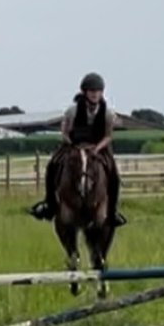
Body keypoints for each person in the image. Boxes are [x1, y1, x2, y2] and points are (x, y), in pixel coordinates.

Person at [29, 72, 126, 226]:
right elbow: (65, 132)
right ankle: (49, 205)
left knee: (114, 173)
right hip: (74, 145)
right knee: (52, 165)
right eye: (92, 91)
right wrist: (74, 146)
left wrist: (97, 148)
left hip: (98, 146)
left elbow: (108, 136)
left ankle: (113, 212)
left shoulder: (107, 113)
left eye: (98, 91)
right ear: (85, 92)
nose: (95, 94)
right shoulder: (72, 111)